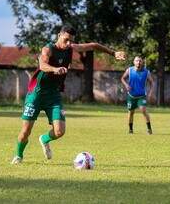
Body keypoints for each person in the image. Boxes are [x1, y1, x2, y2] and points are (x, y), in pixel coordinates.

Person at [11, 25, 126, 164]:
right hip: (36, 94)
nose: (69, 44)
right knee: (25, 132)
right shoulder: (48, 49)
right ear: (59, 35)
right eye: (66, 40)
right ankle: (18, 156)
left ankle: (44, 139)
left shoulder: (71, 47)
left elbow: (93, 45)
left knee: (60, 131)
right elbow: (42, 65)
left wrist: (113, 53)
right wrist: (54, 69)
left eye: (71, 41)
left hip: (53, 95)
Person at [121, 56, 154, 135]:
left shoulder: (146, 72)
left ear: (142, 62)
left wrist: (150, 93)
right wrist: (126, 85)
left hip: (141, 96)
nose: (138, 62)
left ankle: (149, 129)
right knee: (131, 112)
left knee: (143, 110)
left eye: (140, 61)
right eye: (136, 61)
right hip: (131, 96)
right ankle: (130, 129)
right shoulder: (129, 70)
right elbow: (122, 78)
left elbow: (152, 83)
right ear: (134, 62)